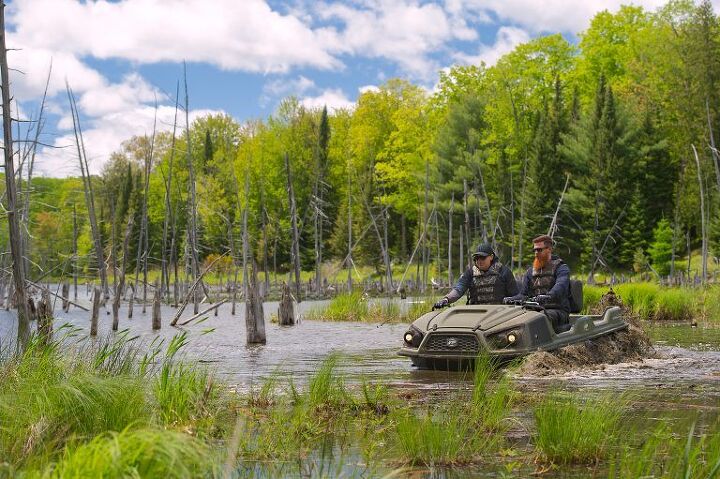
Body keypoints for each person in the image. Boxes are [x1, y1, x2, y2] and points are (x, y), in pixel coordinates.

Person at [506, 234, 571, 331]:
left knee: (539, 319)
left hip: (558, 311)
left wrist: (549, 295)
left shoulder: (561, 268)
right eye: (534, 250)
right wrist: (511, 299)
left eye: (539, 250)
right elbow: (523, 294)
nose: (536, 253)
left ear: (549, 249)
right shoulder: (530, 271)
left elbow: (561, 285)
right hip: (535, 310)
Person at [433, 243, 518, 309]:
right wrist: (446, 300)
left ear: (491, 257)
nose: (479, 261)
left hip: (499, 314)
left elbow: (515, 296)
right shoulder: (470, 273)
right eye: (477, 258)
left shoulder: (504, 272)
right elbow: (459, 289)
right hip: (475, 313)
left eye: (483, 258)